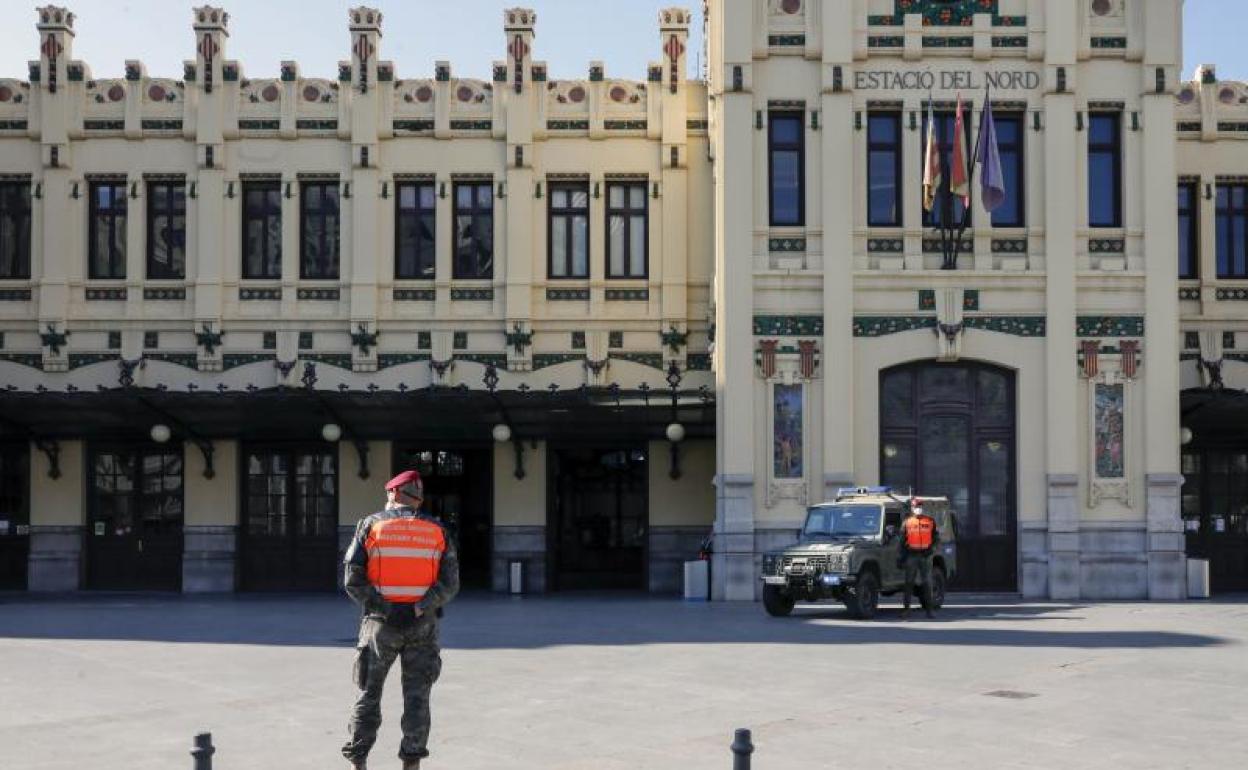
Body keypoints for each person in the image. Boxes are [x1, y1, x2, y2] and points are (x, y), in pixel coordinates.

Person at [341, 470, 460, 770]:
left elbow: (352, 580)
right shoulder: (438, 530)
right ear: (417, 497)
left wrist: (385, 606)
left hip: (381, 624)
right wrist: (421, 606)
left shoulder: (370, 526)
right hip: (422, 625)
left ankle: (358, 762)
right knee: (418, 697)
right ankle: (412, 763)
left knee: (368, 694)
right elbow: (450, 583)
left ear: (394, 493)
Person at [898, 501, 939, 619]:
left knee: (927, 583)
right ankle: (906, 610)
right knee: (909, 583)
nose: (918, 509)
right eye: (916, 507)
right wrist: (901, 557)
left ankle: (930, 611)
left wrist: (931, 550)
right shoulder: (907, 522)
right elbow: (901, 541)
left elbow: (936, 538)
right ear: (912, 508)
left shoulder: (930, 521)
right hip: (912, 555)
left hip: (926, 556)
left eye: (920, 506)